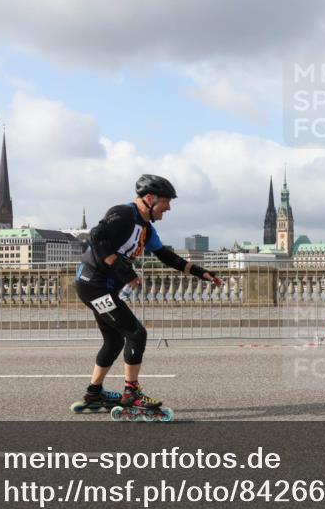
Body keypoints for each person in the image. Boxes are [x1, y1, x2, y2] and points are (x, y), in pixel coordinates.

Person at [73, 174, 222, 417]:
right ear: (150, 199)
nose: (169, 208)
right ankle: (131, 393)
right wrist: (123, 270)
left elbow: (167, 257)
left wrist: (201, 272)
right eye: (166, 202)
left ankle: (94, 392)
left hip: (103, 286)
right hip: (93, 284)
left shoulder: (146, 229)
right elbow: (97, 235)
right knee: (136, 333)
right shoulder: (123, 214)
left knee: (114, 340)